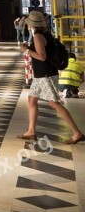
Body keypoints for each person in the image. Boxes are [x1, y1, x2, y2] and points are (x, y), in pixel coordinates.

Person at [18, 11, 83, 144]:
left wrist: (26, 50)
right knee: (31, 100)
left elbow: (42, 57)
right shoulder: (44, 34)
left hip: (45, 75)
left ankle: (77, 133)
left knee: (54, 103)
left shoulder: (37, 36)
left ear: (31, 24)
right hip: (41, 75)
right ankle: (31, 131)